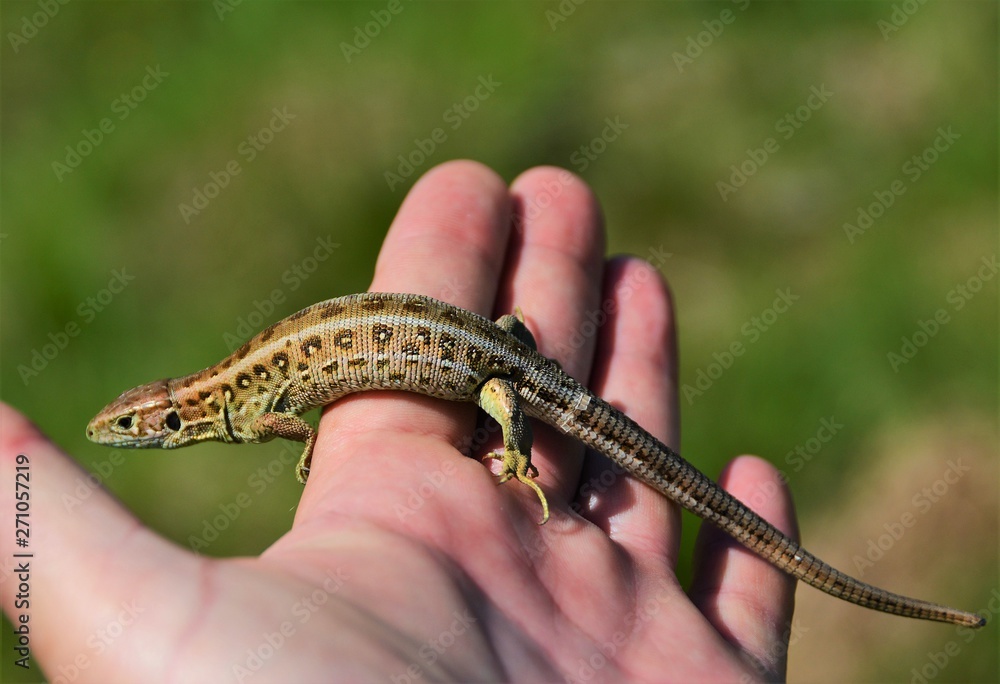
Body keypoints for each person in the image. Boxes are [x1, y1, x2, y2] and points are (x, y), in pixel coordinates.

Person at [0, 161, 796, 682]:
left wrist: (319, 448)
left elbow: (297, 427)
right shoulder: (235, 396)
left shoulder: (247, 407)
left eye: (134, 428)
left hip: (498, 376)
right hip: (497, 348)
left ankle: (520, 458)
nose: (125, 435)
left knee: (511, 406)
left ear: (172, 418)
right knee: (510, 360)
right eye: (130, 428)